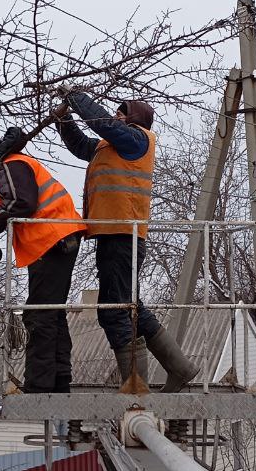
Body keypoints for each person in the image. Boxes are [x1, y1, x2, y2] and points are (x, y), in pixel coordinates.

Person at [54, 93, 197, 391]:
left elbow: (104, 124)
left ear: (134, 120)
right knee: (131, 306)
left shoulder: (137, 139)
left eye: (122, 114)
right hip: (115, 235)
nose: (116, 118)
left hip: (123, 235)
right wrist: (64, 119)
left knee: (114, 310)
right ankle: (180, 368)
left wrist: (77, 97)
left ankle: (136, 388)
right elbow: (82, 146)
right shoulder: (112, 146)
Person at [0, 128, 85, 394]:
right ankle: (57, 381)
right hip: (49, 240)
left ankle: (40, 385)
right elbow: (9, 210)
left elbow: (22, 202)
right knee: (51, 312)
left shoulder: (6, 164)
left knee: (39, 314)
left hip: (52, 238)